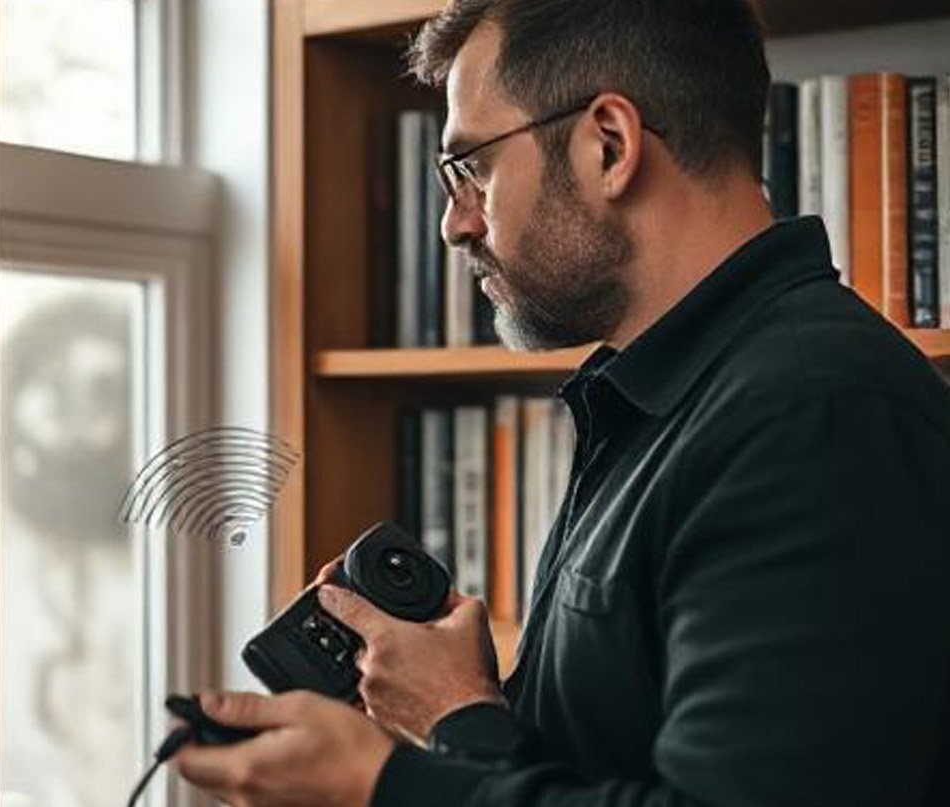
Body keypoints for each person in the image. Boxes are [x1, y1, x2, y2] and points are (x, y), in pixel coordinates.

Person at [175, 0, 950, 804]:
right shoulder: (667, 396)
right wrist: (465, 714)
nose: (454, 222)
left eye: (470, 167)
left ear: (608, 144)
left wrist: (378, 785)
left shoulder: (814, 414)